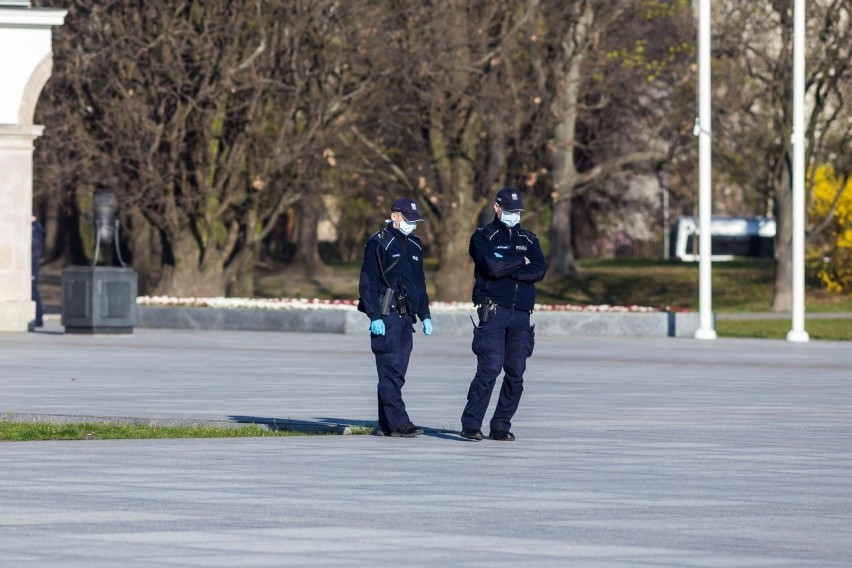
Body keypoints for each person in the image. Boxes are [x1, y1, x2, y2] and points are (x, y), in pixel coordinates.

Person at [460, 187, 547, 441]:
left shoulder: (529, 239)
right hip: (494, 311)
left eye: (517, 211)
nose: (514, 215)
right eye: (509, 210)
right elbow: (491, 268)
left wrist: (509, 267)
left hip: (521, 314)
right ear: (496, 207)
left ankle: (500, 425)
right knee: (489, 370)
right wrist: (521, 262)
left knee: (516, 373)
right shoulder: (482, 237)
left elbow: (539, 271)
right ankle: (471, 424)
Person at [358, 197, 433, 437]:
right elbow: (367, 282)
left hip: (406, 317)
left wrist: (425, 314)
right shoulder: (378, 243)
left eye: (415, 221)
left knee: (396, 374)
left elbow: (420, 284)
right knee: (390, 371)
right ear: (395, 217)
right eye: (409, 220)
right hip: (386, 316)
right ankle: (401, 423)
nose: (413, 224)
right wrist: (373, 316)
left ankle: (385, 425)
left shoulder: (415, 245)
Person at [31, 215, 45, 328]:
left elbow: (35, 247)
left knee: (33, 289)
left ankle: (38, 317)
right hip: (30, 263)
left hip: (32, 263)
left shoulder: (35, 228)